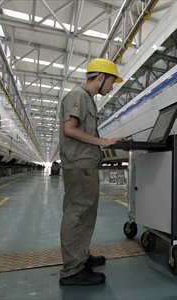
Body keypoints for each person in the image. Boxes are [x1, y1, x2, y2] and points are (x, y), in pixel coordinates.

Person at [58, 58, 124, 285]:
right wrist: (103, 141)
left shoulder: (87, 99)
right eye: (112, 81)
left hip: (85, 164)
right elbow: (69, 129)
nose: (112, 87)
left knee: (85, 215)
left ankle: (81, 257)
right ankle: (72, 271)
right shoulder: (78, 95)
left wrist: (107, 143)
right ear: (101, 77)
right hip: (79, 164)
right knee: (76, 214)